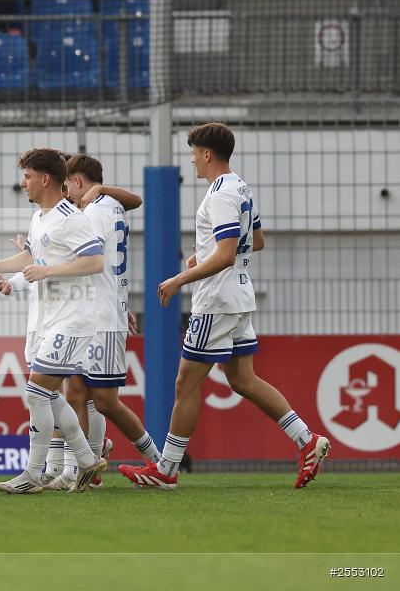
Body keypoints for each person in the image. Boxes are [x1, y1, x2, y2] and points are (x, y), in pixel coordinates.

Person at [119, 122, 330, 490]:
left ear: (206, 154)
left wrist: (179, 278)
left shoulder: (219, 193)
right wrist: (203, 256)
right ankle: (306, 440)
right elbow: (257, 241)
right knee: (242, 379)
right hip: (238, 296)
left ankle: (166, 470)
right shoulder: (240, 186)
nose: (192, 161)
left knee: (186, 381)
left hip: (216, 300)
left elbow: (228, 254)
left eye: (193, 154)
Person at [0, 148, 107, 494]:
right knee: (48, 394)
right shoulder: (42, 216)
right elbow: (32, 256)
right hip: (46, 317)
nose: (22, 183)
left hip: (73, 318)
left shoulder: (71, 217)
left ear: (45, 179)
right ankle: (86, 459)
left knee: (37, 391)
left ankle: (32, 475)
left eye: (27, 177)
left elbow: (95, 262)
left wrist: (48, 270)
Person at [43, 155, 161, 490]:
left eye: (67, 186)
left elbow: (86, 260)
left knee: (105, 401)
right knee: (76, 391)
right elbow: (135, 202)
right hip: (97, 311)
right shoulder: (112, 206)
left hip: (102, 316)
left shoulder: (92, 213)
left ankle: (158, 460)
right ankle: (80, 469)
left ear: (79, 183)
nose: (65, 193)